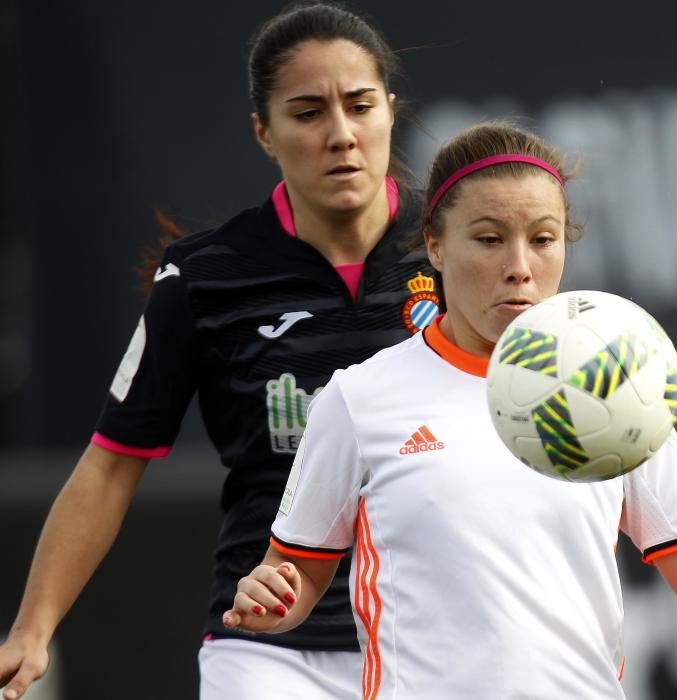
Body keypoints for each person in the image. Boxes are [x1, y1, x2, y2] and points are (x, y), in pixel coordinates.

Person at [222, 121, 677, 699]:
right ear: (434, 245)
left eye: (542, 238)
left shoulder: (619, 384)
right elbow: (295, 575)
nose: (520, 266)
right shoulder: (358, 398)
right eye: (488, 238)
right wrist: (269, 596)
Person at [0, 3, 439, 699]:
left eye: (360, 106)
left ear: (390, 109)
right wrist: (33, 626)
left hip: (436, 644)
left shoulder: (458, 248)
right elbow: (111, 467)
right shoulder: (205, 276)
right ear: (264, 133)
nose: (341, 135)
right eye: (307, 113)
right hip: (270, 650)